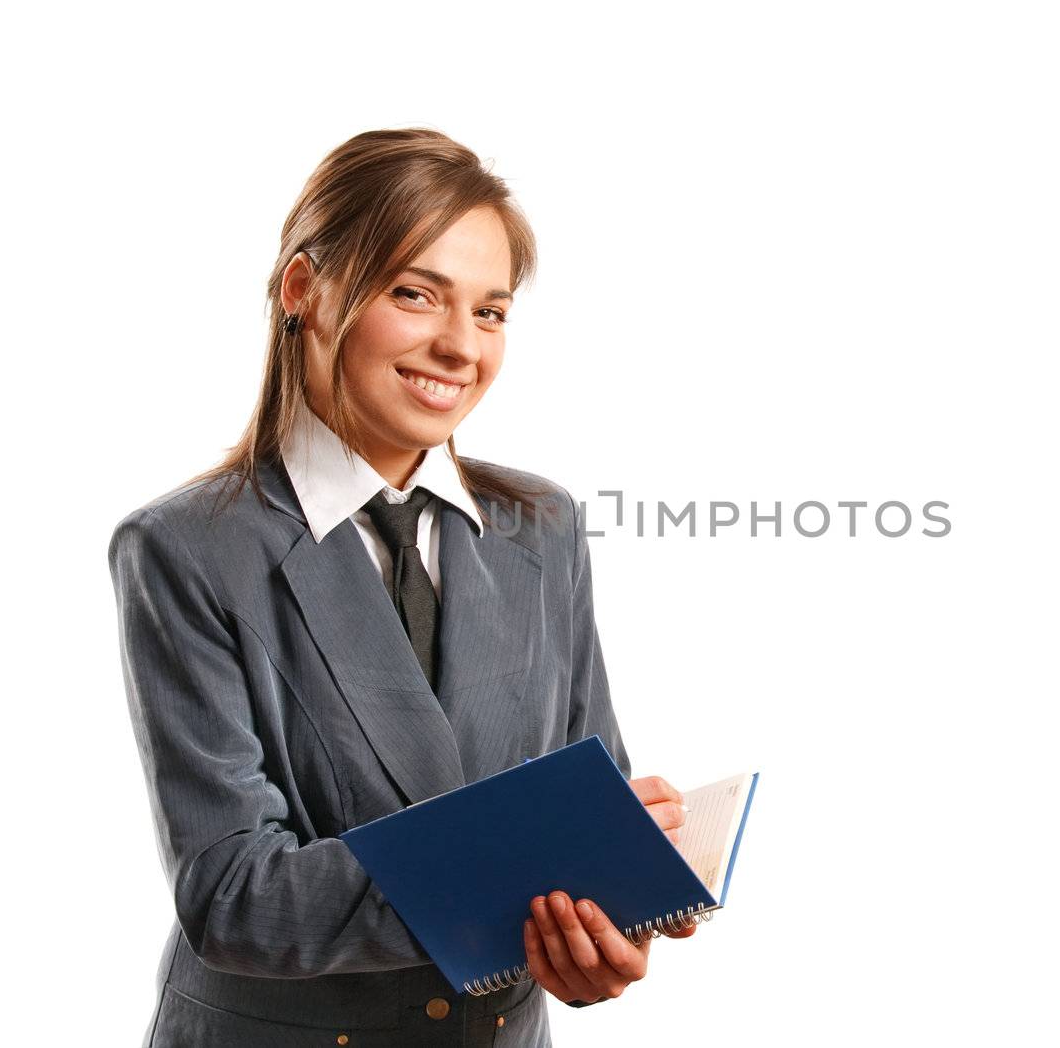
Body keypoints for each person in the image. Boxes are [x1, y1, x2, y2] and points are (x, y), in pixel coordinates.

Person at [108, 127, 693, 1048]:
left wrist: (598, 939)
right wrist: (530, 866)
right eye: (416, 294)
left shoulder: (541, 525)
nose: (460, 346)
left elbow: (590, 805)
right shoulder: (186, 548)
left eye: (491, 312)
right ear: (304, 289)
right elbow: (234, 894)